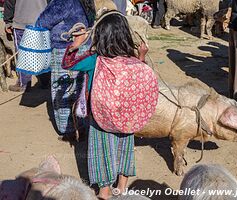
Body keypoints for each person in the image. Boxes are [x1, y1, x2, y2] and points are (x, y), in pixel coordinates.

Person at [61, 11, 159, 199]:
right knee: (125, 148)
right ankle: (122, 188)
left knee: (102, 150)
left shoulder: (94, 59)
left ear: (100, 37)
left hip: (100, 116)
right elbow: (139, 81)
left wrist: (75, 46)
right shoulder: (131, 60)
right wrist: (142, 56)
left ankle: (104, 191)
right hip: (127, 116)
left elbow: (68, 64)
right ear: (125, 35)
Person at [35, 0, 95, 140]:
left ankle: (69, 130)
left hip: (65, 48)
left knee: (63, 89)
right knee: (80, 89)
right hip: (84, 46)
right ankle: (82, 126)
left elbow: (44, 21)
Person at [3, 0, 50, 92]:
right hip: (42, 21)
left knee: (23, 54)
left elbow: (10, 2)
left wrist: (8, 21)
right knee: (43, 52)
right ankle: (45, 82)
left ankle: (23, 84)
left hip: (21, 22)